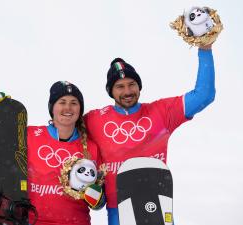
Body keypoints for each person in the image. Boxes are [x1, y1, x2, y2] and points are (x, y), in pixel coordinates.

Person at [84, 44, 215, 225]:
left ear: (139, 86)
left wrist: (205, 48)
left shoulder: (161, 112)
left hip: (158, 207)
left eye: (132, 84)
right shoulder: (93, 120)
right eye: (120, 86)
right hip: (119, 212)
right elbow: (65, 136)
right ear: (110, 91)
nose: (127, 91)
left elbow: (204, 95)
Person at [27, 81, 104, 225]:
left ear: (80, 109)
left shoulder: (91, 148)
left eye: (74, 103)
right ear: (52, 107)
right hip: (34, 221)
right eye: (62, 102)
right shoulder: (30, 136)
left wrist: (98, 199)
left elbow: (100, 196)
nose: (68, 107)